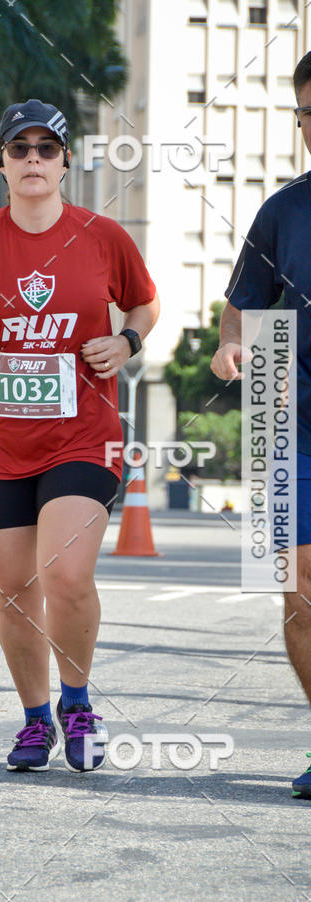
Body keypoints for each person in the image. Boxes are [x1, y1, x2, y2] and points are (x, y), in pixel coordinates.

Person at [0, 99, 159, 772]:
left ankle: (77, 702)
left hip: (83, 435)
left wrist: (127, 340)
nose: (32, 160)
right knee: (15, 590)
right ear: (0, 160)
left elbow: (145, 299)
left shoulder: (103, 235)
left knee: (66, 575)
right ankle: (33, 720)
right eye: (18, 149)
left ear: (64, 161)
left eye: (45, 149)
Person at [211, 52, 311, 798]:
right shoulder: (283, 210)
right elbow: (242, 301)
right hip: (296, 426)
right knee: (300, 592)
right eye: (308, 115)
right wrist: (229, 343)